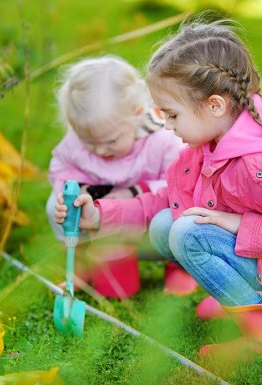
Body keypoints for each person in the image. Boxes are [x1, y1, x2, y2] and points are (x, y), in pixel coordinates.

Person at [54, 19, 262, 360]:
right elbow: (167, 200)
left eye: (172, 115)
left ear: (214, 105)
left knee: (189, 234)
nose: (165, 125)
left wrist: (237, 223)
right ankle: (245, 297)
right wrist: (98, 214)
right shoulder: (206, 148)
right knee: (167, 224)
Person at [46, 55, 197, 297]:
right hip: (99, 214)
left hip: (148, 217)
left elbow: (180, 184)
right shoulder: (79, 141)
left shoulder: (162, 140)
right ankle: (82, 262)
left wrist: (134, 192)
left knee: (174, 218)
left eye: (110, 141)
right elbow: (63, 166)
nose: (100, 150)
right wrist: (76, 190)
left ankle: (180, 267)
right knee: (55, 206)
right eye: (89, 143)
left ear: (137, 114)